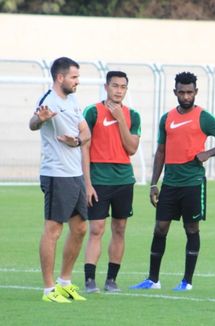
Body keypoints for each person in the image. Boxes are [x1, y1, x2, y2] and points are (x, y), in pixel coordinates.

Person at [130, 72, 215, 291]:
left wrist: (209, 153)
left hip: (193, 184)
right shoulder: (167, 118)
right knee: (160, 229)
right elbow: (160, 152)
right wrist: (153, 184)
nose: (186, 96)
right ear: (175, 92)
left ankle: (187, 281)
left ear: (196, 92)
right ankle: (153, 279)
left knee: (191, 229)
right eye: (182, 92)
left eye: (190, 92)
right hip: (170, 184)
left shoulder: (204, 117)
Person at [29, 57, 90, 303]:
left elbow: (86, 132)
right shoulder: (48, 101)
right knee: (53, 230)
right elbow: (32, 123)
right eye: (74, 77)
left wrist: (76, 141)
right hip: (56, 174)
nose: (78, 82)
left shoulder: (73, 100)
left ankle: (65, 283)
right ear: (60, 78)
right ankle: (48, 289)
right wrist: (40, 119)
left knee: (80, 228)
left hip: (75, 174)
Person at [82, 71, 141, 293]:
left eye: (123, 87)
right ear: (106, 87)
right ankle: (89, 280)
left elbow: (132, 148)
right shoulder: (92, 111)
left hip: (124, 179)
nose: (118, 90)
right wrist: (87, 183)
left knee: (120, 228)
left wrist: (120, 121)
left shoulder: (132, 115)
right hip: (98, 179)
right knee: (96, 228)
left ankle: (111, 280)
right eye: (115, 86)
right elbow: (84, 148)